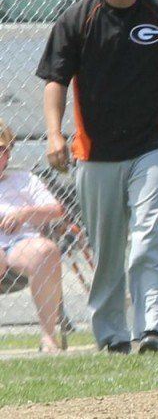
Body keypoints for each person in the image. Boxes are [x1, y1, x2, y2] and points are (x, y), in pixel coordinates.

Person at [36, 0, 158, 354]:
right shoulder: (78, 18)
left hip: (154, 147)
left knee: (149, 239)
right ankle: (111, 335)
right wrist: (55, 134)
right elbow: (56, 80)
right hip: (94, 151)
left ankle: (153, 331)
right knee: (107, 249)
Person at [0, 120, 67, 353]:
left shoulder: (25, 180)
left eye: (1, 150)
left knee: (46, 251)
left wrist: (24, 213)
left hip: (20, 245)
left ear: (8, 154)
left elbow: (57, 210)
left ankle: (48, 338)